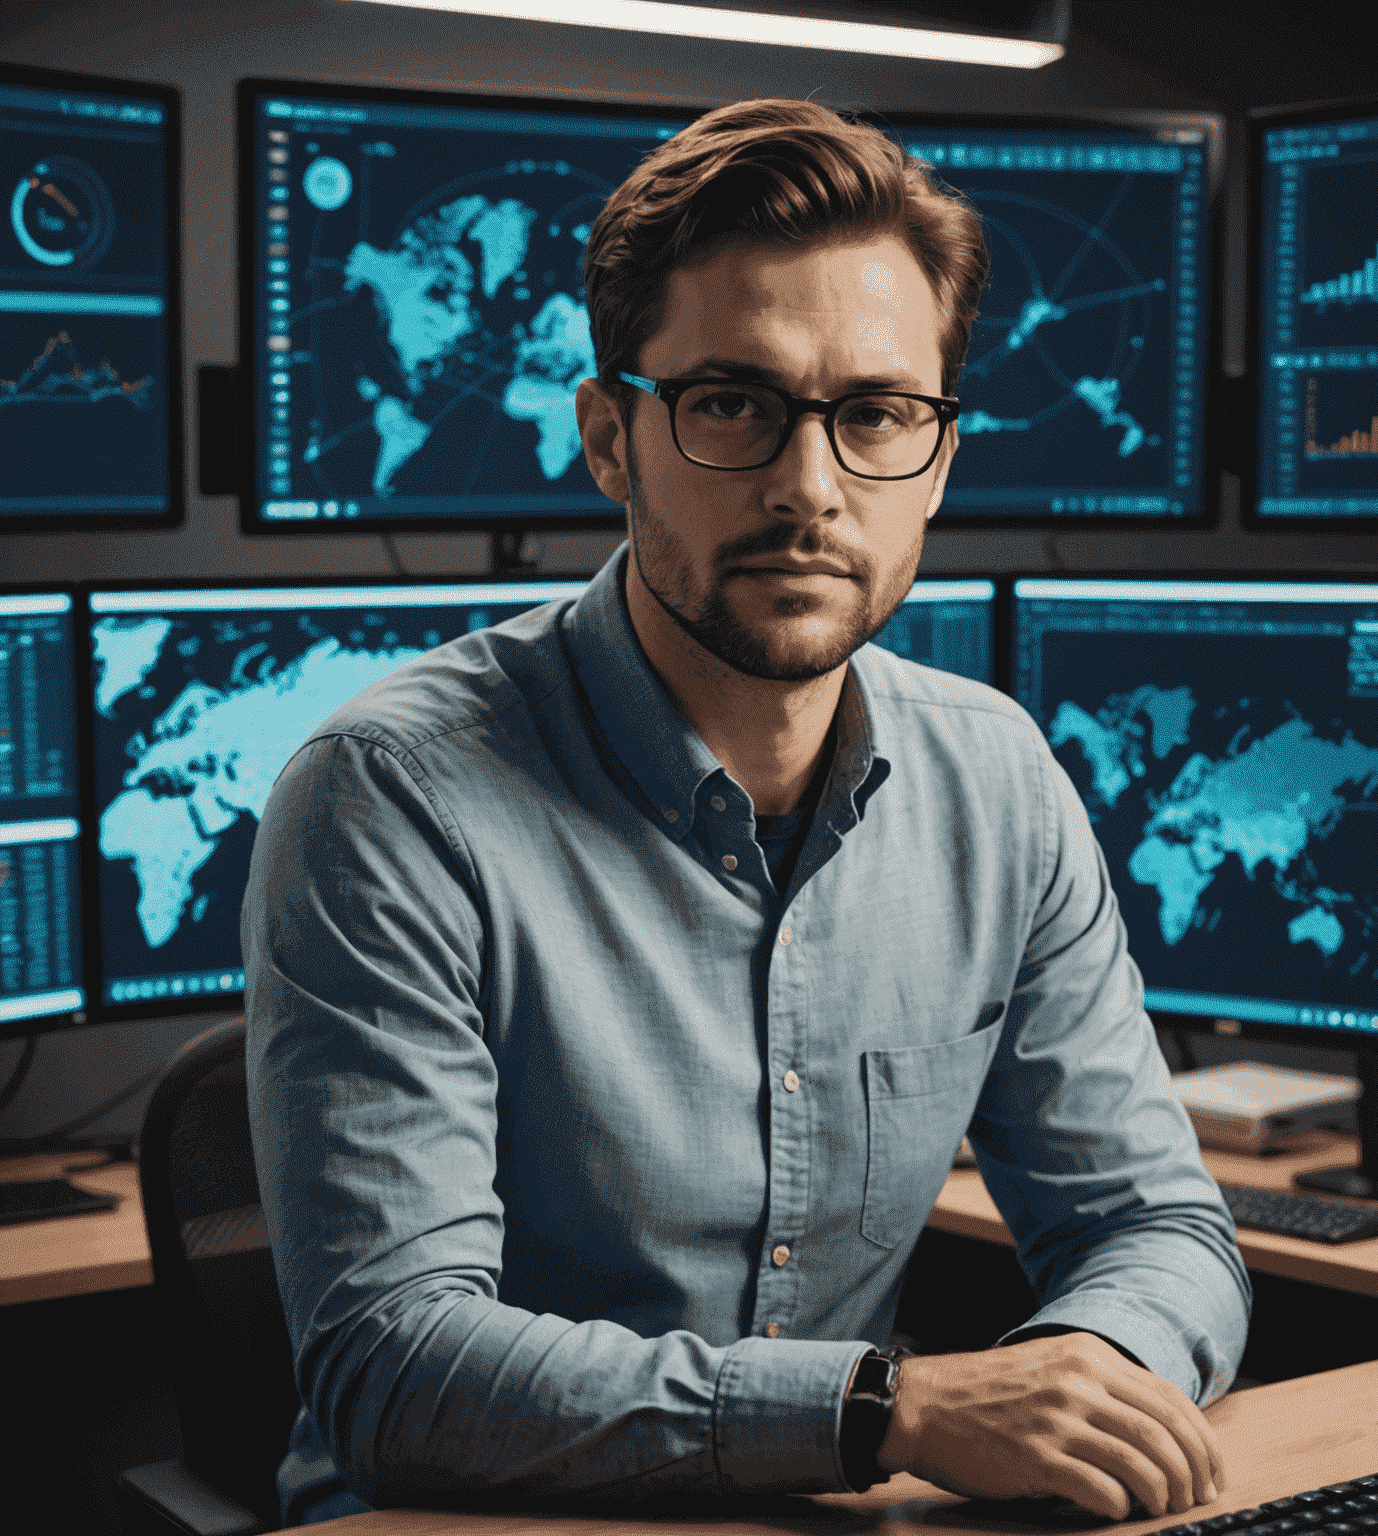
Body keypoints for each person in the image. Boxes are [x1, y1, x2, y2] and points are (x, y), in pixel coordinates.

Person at [243, 97, 1250, 1529]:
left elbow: (1158, 1228)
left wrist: (1087, 1372)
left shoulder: (998, 784)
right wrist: (892, 1414)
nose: (810, 487)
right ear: (610, 440)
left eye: (879, 415)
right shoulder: (395, 798)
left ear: (940, 455)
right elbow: (394, 1366)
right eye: (732, 405)